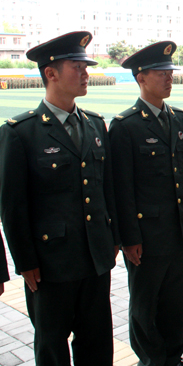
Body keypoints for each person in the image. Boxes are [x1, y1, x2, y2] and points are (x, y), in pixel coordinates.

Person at [0, 31, 120, 365]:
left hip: (95, 257)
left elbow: (106, 189)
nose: (85, 74)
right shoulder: (20, 132)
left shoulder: (94, 125)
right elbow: (12, 207)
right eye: (76, 67)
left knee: (97, 341)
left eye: (86, 67)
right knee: (52, 344)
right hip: (50, 263)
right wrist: (25, 262)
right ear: (51, 73)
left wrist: (113, 238)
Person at [109, 41, 183, 366]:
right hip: (147, 236)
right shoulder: (126, 126)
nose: (169, 78)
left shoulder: (179, 119)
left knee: (176, 302)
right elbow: (121, 189)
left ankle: (173, 357)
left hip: (178, 230)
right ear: (141, 78)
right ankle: (151, 360)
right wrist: (128, 238)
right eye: (161, 73)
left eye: (170, 72)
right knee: (145, 305)